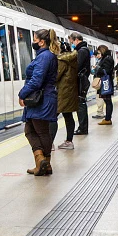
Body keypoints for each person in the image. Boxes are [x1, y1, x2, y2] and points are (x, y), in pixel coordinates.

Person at [19, 29, 59, 176]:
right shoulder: (46, 56)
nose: (33, 42)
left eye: (35, 39)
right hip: (43, 98)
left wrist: (22, 94)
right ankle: (43, 163)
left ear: (41, 42)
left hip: (41, 99)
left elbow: (36, 80)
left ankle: (42, 161)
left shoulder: (44, 57)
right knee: (32, 130)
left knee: (40, 131)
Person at [54, 41, 79, 150]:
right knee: (68, 116)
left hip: (62, 91)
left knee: (52, 117)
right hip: (71, 90)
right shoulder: (72, 59)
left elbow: (56, 76)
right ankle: (69, 141)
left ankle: (49, 143)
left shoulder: (62, 60)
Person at [71, 33, 90, 135]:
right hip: (82, 80)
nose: (72, 44)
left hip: (81, 81)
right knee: (80, 103)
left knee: (80, 103)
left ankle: (83, 128)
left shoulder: (82, 51)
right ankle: (82, 127)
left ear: (76, 40)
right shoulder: (84, 50)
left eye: (72, 42)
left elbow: (77, 66)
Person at [94, 45, 115, 125]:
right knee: (107, 100)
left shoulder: (107, 59)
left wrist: (98, 68)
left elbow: (107, 70)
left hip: (106, 82)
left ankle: (108, 119)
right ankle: (107, 118)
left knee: (108, 100)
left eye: (99, 51)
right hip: (106, 81)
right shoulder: (108, 58)